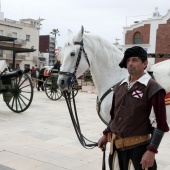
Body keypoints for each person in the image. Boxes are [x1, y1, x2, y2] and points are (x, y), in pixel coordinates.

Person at [98, 46, 169, 170]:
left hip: (139, 151)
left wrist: (151, 151)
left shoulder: (153, 88)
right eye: (128, 60)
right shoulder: (119, 87)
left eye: (135, 60)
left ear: (145, 63)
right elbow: (114, 115)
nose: (130, 63)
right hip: (115, 149)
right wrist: (106, 134)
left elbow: (160, 124)